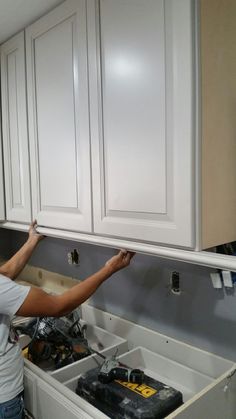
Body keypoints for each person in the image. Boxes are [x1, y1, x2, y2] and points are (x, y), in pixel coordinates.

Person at [0, 221, 134, 419]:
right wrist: (109, 269)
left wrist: (32, 241)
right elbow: (59, 306)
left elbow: (4, 274)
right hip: (5, 400)